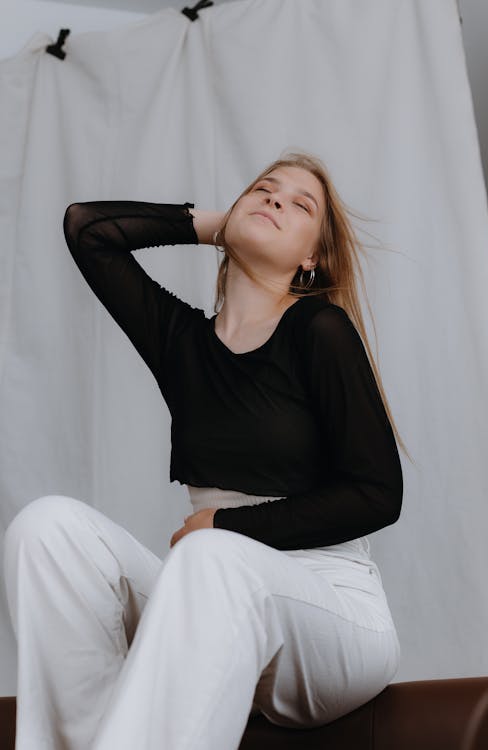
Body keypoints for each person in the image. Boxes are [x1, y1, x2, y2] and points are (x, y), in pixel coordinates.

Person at [3, 150, 406, 750]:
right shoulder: (181, 343)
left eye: (299, 205)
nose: (274, 199)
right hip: (210, 592)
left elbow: (378, 494)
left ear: (311, 259)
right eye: (264, 190)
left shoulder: (319, 330)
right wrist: (221, 227)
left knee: (212, 556)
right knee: (46, 529)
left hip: (332, 610)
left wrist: (225, 524)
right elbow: (87, 229)